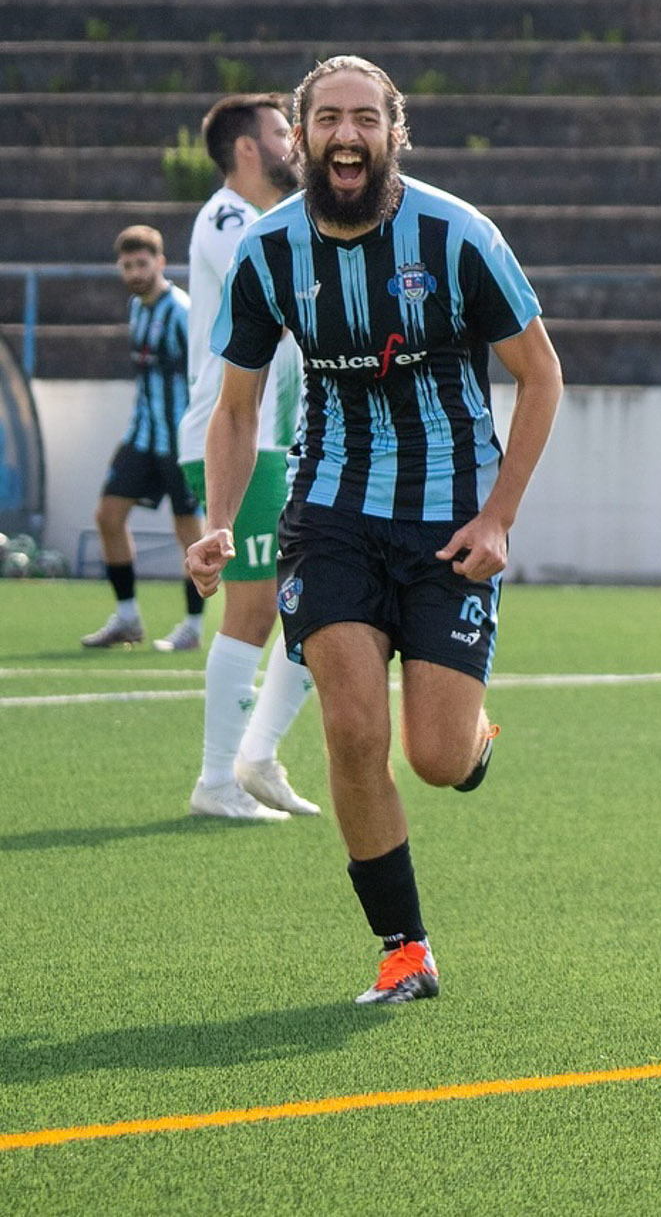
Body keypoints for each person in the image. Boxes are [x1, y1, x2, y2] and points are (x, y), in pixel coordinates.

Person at [185, 55, 563, 1005]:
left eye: (365, 119)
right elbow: (236, 408)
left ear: (396, 134)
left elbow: (542, 374)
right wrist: (219, 522)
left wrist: (500, 516)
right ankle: (404, 950)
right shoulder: (265, 252)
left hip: (450, 520)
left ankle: (474, 734)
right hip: (332, 515)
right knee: (354, 729)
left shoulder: (459, 235)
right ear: (302, 136)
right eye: (327, 120)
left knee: (435, 758)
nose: (345, 135)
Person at [178, 92, 323, 822]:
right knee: (258, 602)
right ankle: (217, 777)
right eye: (278, 132)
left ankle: (257, 756)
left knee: (313, 596)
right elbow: (283, 282)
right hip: (235, 432)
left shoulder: (271, 220)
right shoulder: (230, 220)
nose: (293, 144)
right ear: (245, 149)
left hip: (279, 433)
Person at [81, 226, 207, 651]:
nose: (135, 272)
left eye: (143, 263)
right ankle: (128, 618)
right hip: (142, 435)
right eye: (128, 265)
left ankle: (192, 625)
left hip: (180, 440)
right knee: (108, 515)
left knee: (189, 531)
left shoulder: (182, 312)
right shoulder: (137, 307)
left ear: (160, 262)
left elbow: (205, 373)